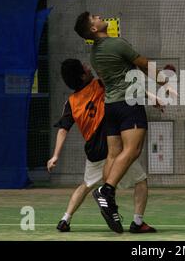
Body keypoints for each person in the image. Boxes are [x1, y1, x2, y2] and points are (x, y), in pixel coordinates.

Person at [74, 12, 174, 233]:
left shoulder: (94, 55)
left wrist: (149, 96)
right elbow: (144, 65)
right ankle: (106, 191)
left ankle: (109, 203)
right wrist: (164, 83)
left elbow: (125, 77)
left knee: (113, 154)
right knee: (133, 150)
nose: (100, 16)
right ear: (93, 29)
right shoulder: (116, 44)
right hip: (129, 106)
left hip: (112, 107)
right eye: (95, 17)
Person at [47, 58, 156, 233]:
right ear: (83, 76)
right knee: (141, 181)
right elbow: (124, 89)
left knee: (85, 185)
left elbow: (63, 129)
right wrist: (150, 96)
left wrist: (55, 156)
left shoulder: (71, 102)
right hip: (113, 146)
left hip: (93, 151)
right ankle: (137, 222)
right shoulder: (100, 85)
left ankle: (65, 219)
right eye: (85, 67)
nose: (88, 67)